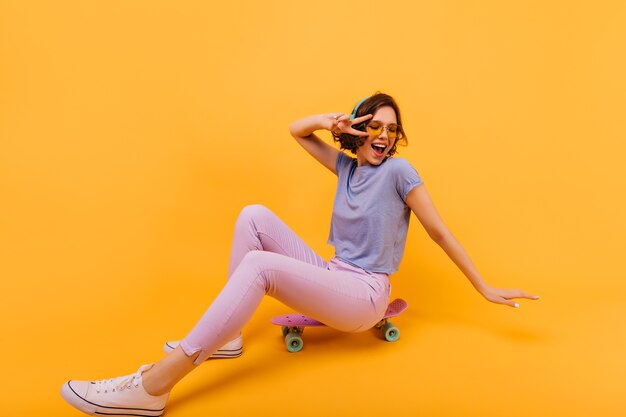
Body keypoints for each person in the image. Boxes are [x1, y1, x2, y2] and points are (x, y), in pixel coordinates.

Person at [60, 92, 539, 416]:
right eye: (374, 125)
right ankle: (225, 340)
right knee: (253, 214)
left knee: (261, 266)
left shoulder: (400, 172)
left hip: (364, 296)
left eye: (392, 130)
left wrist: (483, 285)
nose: (384, 135)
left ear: (397, 139)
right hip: (335, 275)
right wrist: (331, 121)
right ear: (358, 129)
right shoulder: (348, 168)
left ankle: (155, 386)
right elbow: (296, 130)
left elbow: (439, 232)